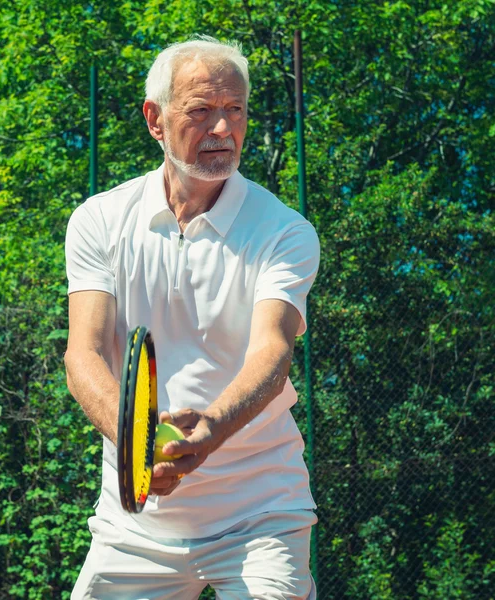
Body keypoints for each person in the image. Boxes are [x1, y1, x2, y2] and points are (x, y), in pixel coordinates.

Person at [64, 35, 320, 600]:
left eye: (235, 110)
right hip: (134, 524)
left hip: (261, 514)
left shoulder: (286, 232)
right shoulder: (98, 221)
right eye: (201, 111)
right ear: (155, 120)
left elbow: (272, 351)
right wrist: (138, 447)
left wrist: (206, 433)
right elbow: (81, 354)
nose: (223, 130)